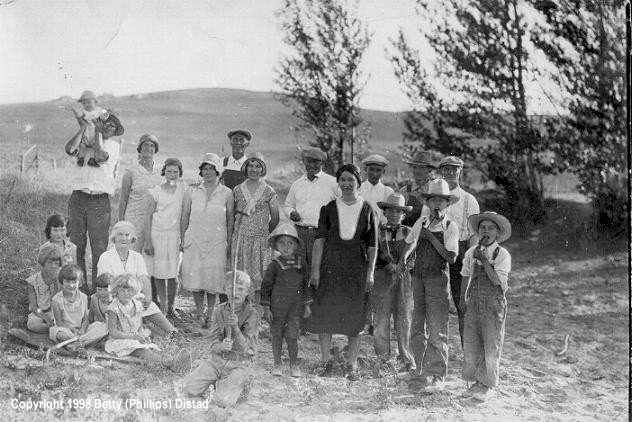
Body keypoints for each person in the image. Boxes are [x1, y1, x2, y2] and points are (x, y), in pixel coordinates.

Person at [304, 164, 378, 381]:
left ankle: (351, 364)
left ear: (358, 182)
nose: (346, 184)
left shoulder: (368, 209)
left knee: (355, 316)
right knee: (325, 313)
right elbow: (319, 241)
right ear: (338, 182)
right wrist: (315, 271)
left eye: (350, 180)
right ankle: (326, 360)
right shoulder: (328, 208)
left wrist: (371, 273)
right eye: (343, 180)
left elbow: (373, 245)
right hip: (330, 268)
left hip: (356, 269)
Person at [400, 179, 459, 392]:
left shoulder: (451, 227)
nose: (436, 203)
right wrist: (403, 259)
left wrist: (432, 240)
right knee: (417, 326)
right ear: (428, 201)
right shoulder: (422, 222)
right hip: (419, 279)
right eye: (433, 199)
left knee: (437, 329)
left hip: (437, 280)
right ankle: (418, 369)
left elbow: (451, 257)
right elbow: (411, 243)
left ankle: (437, 374)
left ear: (447, 204)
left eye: (441, 201)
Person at [65, 111, 123, 293]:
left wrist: (96, 133)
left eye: (111, 126)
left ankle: (98, 293)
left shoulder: (114, 145)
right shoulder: (86, 139)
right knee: (77, 246)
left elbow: (100, 157)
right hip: (78, 198)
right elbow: (69, 149)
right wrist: (83, 127)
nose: (107, 128)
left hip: (99, 201)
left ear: (115, 131)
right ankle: (80, 291)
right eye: (104, 124)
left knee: (99, 249)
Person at [182, 270, 259, 407]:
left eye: (240, 289)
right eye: (231, 288)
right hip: (217, 360)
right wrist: (220, 346)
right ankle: (217, 381)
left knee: (222, 402)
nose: (235, 293)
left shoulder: (252, 313)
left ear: (247, 292)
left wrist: (235, 328)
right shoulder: (219, 310)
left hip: (239, 363)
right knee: (188, 389)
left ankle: (241, 383)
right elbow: (212, 340)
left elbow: (247, 348)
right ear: (225, 290)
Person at [460, 212, 512, 401]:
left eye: (491, 228)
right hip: (473, 300)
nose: (486, 231)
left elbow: (498, 281)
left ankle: (488, 385)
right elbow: (465, 274)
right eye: (483, 228)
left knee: (491, 343)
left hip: (493, 303)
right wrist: (461, 299)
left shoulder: (501, 254)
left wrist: (483, 260)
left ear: (497, 233)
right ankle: (476, 382)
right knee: (473, 342)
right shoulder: (471, 252)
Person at [96, 221, 178, 337]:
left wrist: (148, 296)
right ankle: (151, 333)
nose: (123, 238)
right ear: (114, 238)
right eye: (120, 235)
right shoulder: (106, 257)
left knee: (147, 304)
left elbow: (143, 278)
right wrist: (128, 293)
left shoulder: (137, 257)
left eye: (127, 235)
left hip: (133, 296)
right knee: (132, 307)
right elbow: (106, 283)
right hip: (113, 298)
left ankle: (172, 332)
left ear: (132, 239)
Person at [180, 153, 234, 327]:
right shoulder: (192, 190)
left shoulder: (227, 193)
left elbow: (230, 219)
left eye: (211, 168)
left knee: (212, 279)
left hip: (217, 241)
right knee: (197, 277)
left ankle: (210, 315)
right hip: (194, 238)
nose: (208, 172)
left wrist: (229, 243)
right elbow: (185, 215)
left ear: (218, 171)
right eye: (205, 168)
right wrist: (182, 238)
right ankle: (199, 314)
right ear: (201, 171)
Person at [105, 274, 191, 372]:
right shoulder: (114, 308)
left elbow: (138, 325)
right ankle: (169, 363)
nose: (125, 293)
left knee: (151, 348)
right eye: (122, 290)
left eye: (129, 290)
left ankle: (175, 361)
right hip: (119, 340)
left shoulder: (137, 305)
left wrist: (142, 335)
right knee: (140, 350)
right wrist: (133, 337)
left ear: (134, 291)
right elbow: (113, 332)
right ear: (116, 291)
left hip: (134, 337)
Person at [370, 193, 415, 372]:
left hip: (404, 279)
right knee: (381, 319)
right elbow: (372, 253)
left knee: (405, 319)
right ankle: (383, 359)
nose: (394, 214)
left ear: (403, 215)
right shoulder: (377, 231)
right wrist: (385, 263)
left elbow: (413, 257)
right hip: (383, 278)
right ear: (385, 212)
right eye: (391, 211)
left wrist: (400, 266)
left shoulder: (409, 232)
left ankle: (407, 359)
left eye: (398, 211)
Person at [438, 156, 480, 345]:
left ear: (460, 172)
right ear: (441, 171)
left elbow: (474, 234)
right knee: (436, 303)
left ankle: (468, 348)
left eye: (454, 169)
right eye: (446, 169)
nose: (449, 173)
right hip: (438, 250)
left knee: (463, 303)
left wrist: (470, 258)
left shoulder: (468, 199)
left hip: (461, 251)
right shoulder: (435, 197)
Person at [261, 223, 312, 378]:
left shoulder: (302, 263)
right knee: (277, 335)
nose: (286, 246)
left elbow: (306, 284)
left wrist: (307, 305)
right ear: (276, 245)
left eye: (290, 243)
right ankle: (277, 364)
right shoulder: (274, 265)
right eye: (282, 243)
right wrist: (266, 308)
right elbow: (266, 287)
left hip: (295, 308)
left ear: (296, 245)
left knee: (292, 336)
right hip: (277, 308)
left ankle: (294, 364)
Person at [232, 152, 279, 305]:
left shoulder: (269, 191)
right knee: (241, 277)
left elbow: (275, 218)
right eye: (250, 165)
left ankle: (256, 315)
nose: (253, 169)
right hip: (241, 239)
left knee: (259, 279)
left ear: (262, 169)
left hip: (260, 240)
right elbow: (233, 215)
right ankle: (241, 311)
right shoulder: (238, 189)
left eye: (257, 166)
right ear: (245, 167)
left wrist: (263, 233)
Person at [285, 147, 339, 273]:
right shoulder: (297, 184)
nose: (312, 165)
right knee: (299, 271)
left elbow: (342, 204)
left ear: (323, 163)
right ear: (303, 162)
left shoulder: (332, 183)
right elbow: (288, 205)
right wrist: (291, 213)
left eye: (316, 162)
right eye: (309, 161)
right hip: (300, 233)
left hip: (321, 234)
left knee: (319, 270)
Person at [144, 158, 186, 318]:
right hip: (157, 235)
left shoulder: (184, 189)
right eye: (169, 171)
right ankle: (162, 307)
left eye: (175, 171)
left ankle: (171, 307)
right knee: (159, 273)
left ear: (180, 173)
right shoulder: (156, 191)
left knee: (173, 275)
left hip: (174, 236)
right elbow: (148, 217)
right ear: (164, 172)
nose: (172, 174)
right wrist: (148, 241)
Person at [118, 134, 162, 281]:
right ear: (140, 148)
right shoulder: (131, 172)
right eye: (145, 145)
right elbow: (123, 200)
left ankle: (149, 294)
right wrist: (121, 225)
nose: (148, 149)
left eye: (151, 146)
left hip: (153, 221)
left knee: (150, 258)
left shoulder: (160, 172)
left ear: (155, 149)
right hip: (133, 219)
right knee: (131, 256)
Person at [49, 264, 107, 350]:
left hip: (81, 330)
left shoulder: (83, 297)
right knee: (59, 333)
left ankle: (78, 343)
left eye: (74, 282)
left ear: (79, 282)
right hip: (66, 329)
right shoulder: (56, 300)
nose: (71, 285)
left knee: (103, 326)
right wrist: (72, 329)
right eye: (67, 281)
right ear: (62, 281)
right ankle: (83, 342)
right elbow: (59, 322)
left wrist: (83, 329)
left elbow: (85, 319)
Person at [26, 244, 62, 333]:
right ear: (42, 262)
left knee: (66, 320)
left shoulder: (61, 278)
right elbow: (34, 307)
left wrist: (56, 283)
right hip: (38, 312)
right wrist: (46, 319)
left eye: (56, 263)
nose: (53, 266)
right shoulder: (32, 281)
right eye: (49, 262)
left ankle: (56, 329)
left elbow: (57, 300)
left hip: (55, 311)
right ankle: (55, 330)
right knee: (33, 325)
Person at [68, 90, 109, 167]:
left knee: (96, 146)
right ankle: (81, 158)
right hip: (85, 133)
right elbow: (79, 117)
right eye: (84, 103)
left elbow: (105, 117)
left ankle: (92, 159)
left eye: (89, 102)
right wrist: (75, 111)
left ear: (95, 101)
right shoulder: (83, 111)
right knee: (82, 145)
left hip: (95, 134)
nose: (87, 105)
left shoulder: (99, 110)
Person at [400, 151, 437, 227]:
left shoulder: (434, 191)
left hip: (428, 234)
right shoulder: (404, 191)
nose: (417, 171)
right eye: (415, 167)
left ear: (429, 170)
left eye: (422, 168)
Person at [359, 154, 394, 224]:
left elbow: (390, 214)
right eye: (371, 169)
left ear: (383, 171)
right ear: (366, 169)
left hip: (381, 231)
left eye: (378, 170)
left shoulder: (388, 191)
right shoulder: (358, 189)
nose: (374, 174)